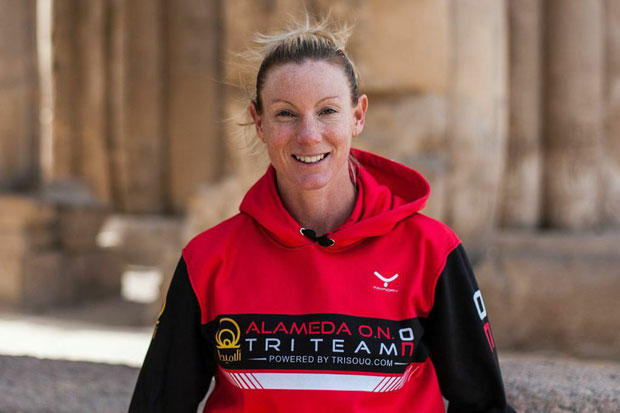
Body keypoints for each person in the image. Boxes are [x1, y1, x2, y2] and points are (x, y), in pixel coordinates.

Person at [130, 16, 514, 413]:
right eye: (285, 114)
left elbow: (482, 405)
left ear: (358, 116)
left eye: (327, 110)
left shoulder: (431, 251)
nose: (309, 135)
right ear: (258, 121)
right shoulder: (208, 259)